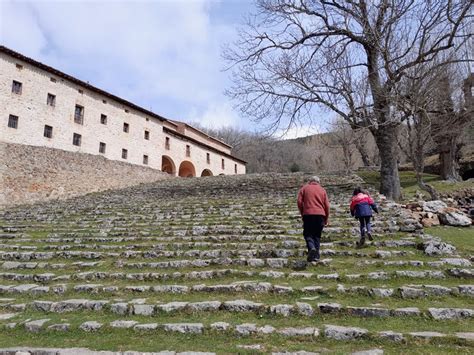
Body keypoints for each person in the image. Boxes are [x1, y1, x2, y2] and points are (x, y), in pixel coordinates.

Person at [297, 176, 330, 262]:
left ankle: (311, 248)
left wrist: (302, 212)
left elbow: (299, 202)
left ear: (310, 181)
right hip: (320, 215)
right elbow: (327, 205)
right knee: (317, 236)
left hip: (308, 214)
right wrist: (326, 218)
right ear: (318, 182)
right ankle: (316, 256)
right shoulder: (322, 190)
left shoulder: (304, 188)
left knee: (308, 234)